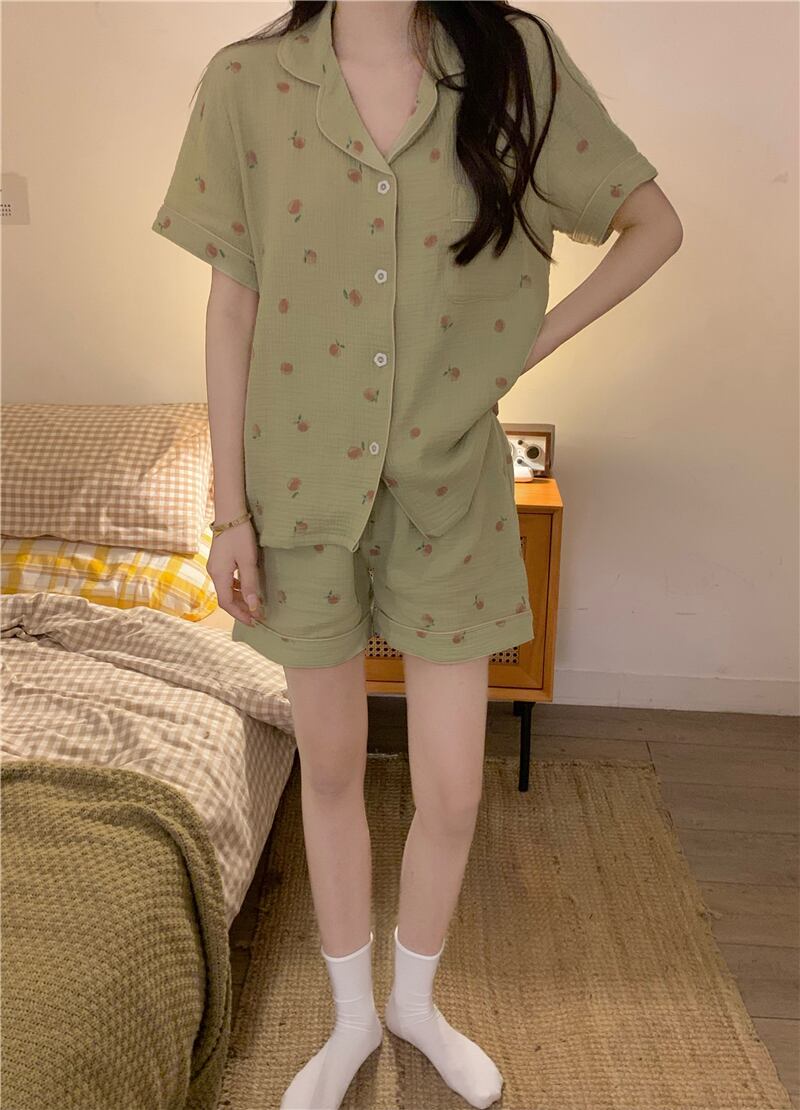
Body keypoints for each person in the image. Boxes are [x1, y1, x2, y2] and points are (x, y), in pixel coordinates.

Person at [152, 2, 682, 1107]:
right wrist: (227, 512)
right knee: (330, 767)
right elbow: (231, 307)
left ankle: (415, 1003)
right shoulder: (247, 83)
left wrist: (520, 346)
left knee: (450, 789)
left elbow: (651, 223)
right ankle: (352, 1018)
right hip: (297, 487)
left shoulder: (513, 62)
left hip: (451, 485)